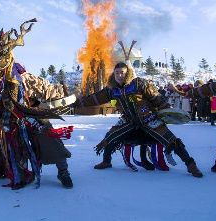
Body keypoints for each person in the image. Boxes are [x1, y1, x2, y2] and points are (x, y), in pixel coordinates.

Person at [0, 19, 74, 189]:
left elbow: (45, 88)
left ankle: (63, 171)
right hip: (3, 125)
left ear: (2, 70)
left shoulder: (20, 77)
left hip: (29, 116)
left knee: (49, 137)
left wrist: (62, 95)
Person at [74, 62, 203, 178]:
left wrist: (166, 110)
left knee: (171, 140)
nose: (119, 75)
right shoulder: (111, 90)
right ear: (114, 74)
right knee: (110, 137)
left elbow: (156, 97)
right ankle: (106, 161)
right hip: (129, 121)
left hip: (148, 118)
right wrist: (76, 103)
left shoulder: (139, 83)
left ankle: (191, 165)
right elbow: (94, 98)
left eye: (122, 73)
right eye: (117, 73)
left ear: (127, 73)